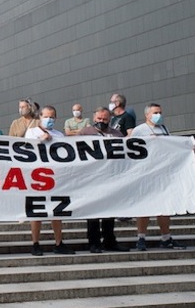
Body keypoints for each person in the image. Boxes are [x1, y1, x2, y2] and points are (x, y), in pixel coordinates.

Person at [131, 103, 187, 251]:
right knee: (144, 207)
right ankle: (141, 238)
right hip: (145, 175)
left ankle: (166, 238)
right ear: (147, 115)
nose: (159, 115)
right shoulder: (139, 130)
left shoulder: (164, 129)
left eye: (160, 112)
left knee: (164, 207)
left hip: (162, 175)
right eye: (156, 112)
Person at [78, 107, 131, 253]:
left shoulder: (117, 134)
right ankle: (94, 242)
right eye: (99, 119)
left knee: (110, 210)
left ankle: (109, 241)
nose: (102, 121)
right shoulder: (85, 133)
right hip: (92, 179)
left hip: (111, 179)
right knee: (93, 213)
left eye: (105, 119)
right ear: (94, 118)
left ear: (110, 119)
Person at [25, 106, 75, 256]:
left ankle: (59, 243)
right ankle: (35, 243)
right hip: (38, 177)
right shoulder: (32, 132)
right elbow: (26, 150)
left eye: (52, 117)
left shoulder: (59, 135)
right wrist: (41, 141)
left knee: (57, 210)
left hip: (56, 177)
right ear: (40, 117)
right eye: (46, 116)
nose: (49, 120)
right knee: (37, 211)